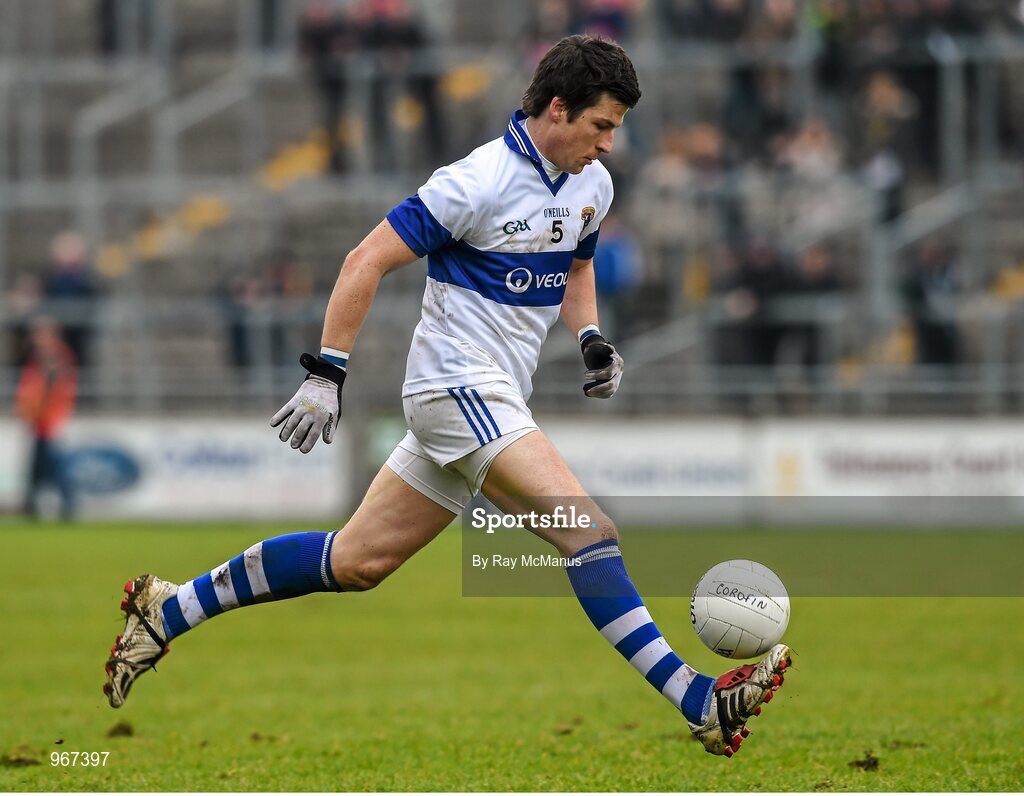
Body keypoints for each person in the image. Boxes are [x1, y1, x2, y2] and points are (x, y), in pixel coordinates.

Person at [103, 35, 791, 758]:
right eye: (602, 124)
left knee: (355, 562)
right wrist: (325, 373)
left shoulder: (593, 185)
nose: (611, 144)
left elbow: (577, 266)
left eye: (616, 128)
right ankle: (697, 698)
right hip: (453, 387)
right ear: (558, 108)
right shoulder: (475, 182)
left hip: (494, 400)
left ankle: (167, 609)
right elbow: (364, 259)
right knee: (588, 532)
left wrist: (590, 337)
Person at [16, 318, 79, 521]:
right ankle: (33, 506)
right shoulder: (40, 358)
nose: (35, 338)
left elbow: (50, 391)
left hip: (50, 423)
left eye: (40, 333)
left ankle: (67, 505)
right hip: (40, 422)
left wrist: (32, 408)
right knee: (39, 468)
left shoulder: (55, 357)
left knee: (54, 468)